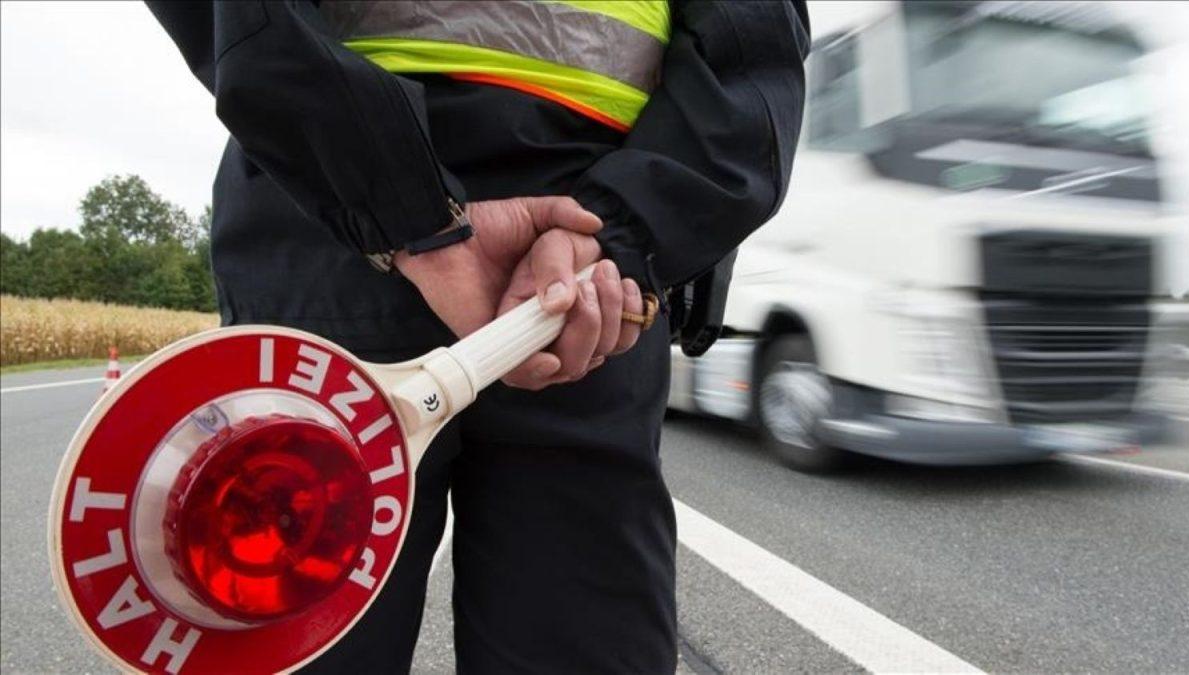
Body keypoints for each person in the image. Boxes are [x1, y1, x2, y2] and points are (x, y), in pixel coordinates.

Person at [147, 1, 810, 672]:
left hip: (351, 224)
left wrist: (402, 206)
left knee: (291, 624)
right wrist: (618, 231)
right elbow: (750, 59)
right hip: (576, 261)